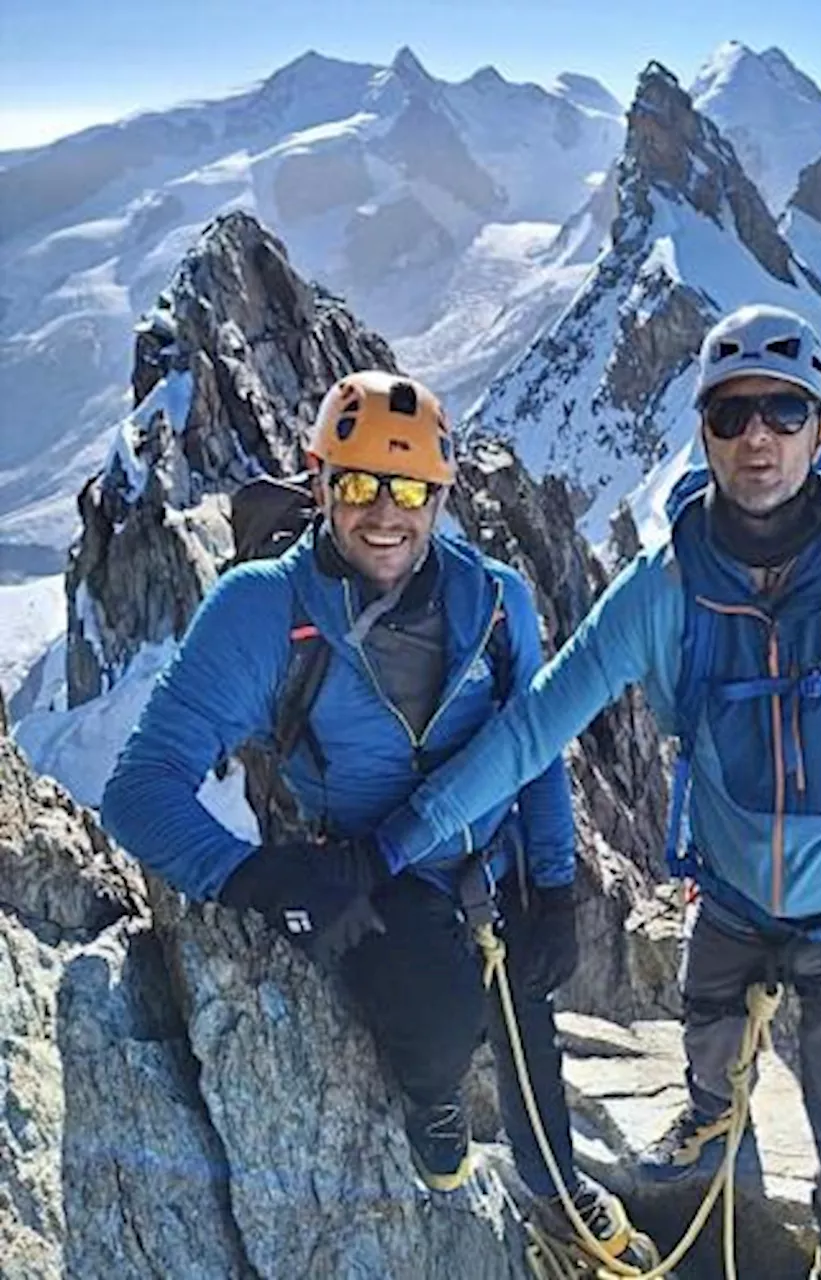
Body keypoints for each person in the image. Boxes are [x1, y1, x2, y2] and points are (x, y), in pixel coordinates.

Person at [364, 307, 821, 1279]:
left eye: (783, 409)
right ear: (703, 430)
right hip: (732, 896)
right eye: (729, 413)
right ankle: (713, 1116)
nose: (757, 435)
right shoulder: (663, 584)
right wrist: (392, 841)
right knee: (710, 1050)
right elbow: (536, 726)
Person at [100, 370, 653, 1268]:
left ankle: (553, 1186)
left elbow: (535, 748)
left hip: (494, 862)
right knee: (440, 1018)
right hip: (371, 874)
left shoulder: (499, 599)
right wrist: (261, 878)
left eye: (407, 490)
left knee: (525, 1013)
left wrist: (552, 887)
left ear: (440, 496)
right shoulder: (264, 610)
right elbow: (139, 788)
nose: (383, 513)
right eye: (358, 485)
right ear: (319, 483)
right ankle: (432, 1097)